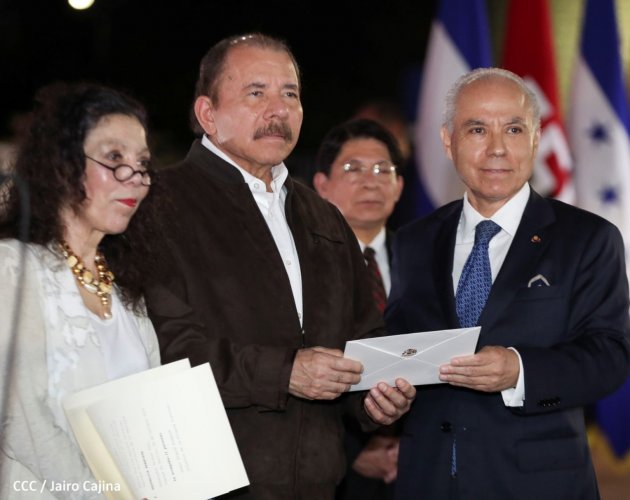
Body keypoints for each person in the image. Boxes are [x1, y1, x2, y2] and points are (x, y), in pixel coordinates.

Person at [144, 33, 416, 500]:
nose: (278, 110)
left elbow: (362, 338)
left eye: (290, 94)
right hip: (208, 485)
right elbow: (160, 348)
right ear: (208, 114)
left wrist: (376, 400)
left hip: (320, 484)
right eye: (256, 93)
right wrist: (284, 372)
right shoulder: (159, 205)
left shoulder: (324, 217)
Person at [387, 67, 630, 499]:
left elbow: (610, 356)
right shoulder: (413, 241)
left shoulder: (587, 239)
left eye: (514, 129)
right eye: (477, 129)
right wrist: (380, 398)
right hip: (427, 479)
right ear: (448, 141)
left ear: (536, 139)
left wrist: (519, 370)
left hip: (537, 484)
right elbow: (393, 347)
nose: (497, 147)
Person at [0, 82, 162, 498]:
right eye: (114, 158)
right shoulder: (13, 267)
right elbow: (20, 420)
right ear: (62, 164)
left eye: (143, 164)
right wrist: (102, 495)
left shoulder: (127, 293)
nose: (136, 178)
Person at [313, 118, 404, 500]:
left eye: (383, 170)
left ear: (399, 186)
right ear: (321, 185)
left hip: (417, 466)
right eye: (354, 169)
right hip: (334, 473)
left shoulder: (427, 260)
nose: (371, 182)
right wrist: (353, 452)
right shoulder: (301, 267)